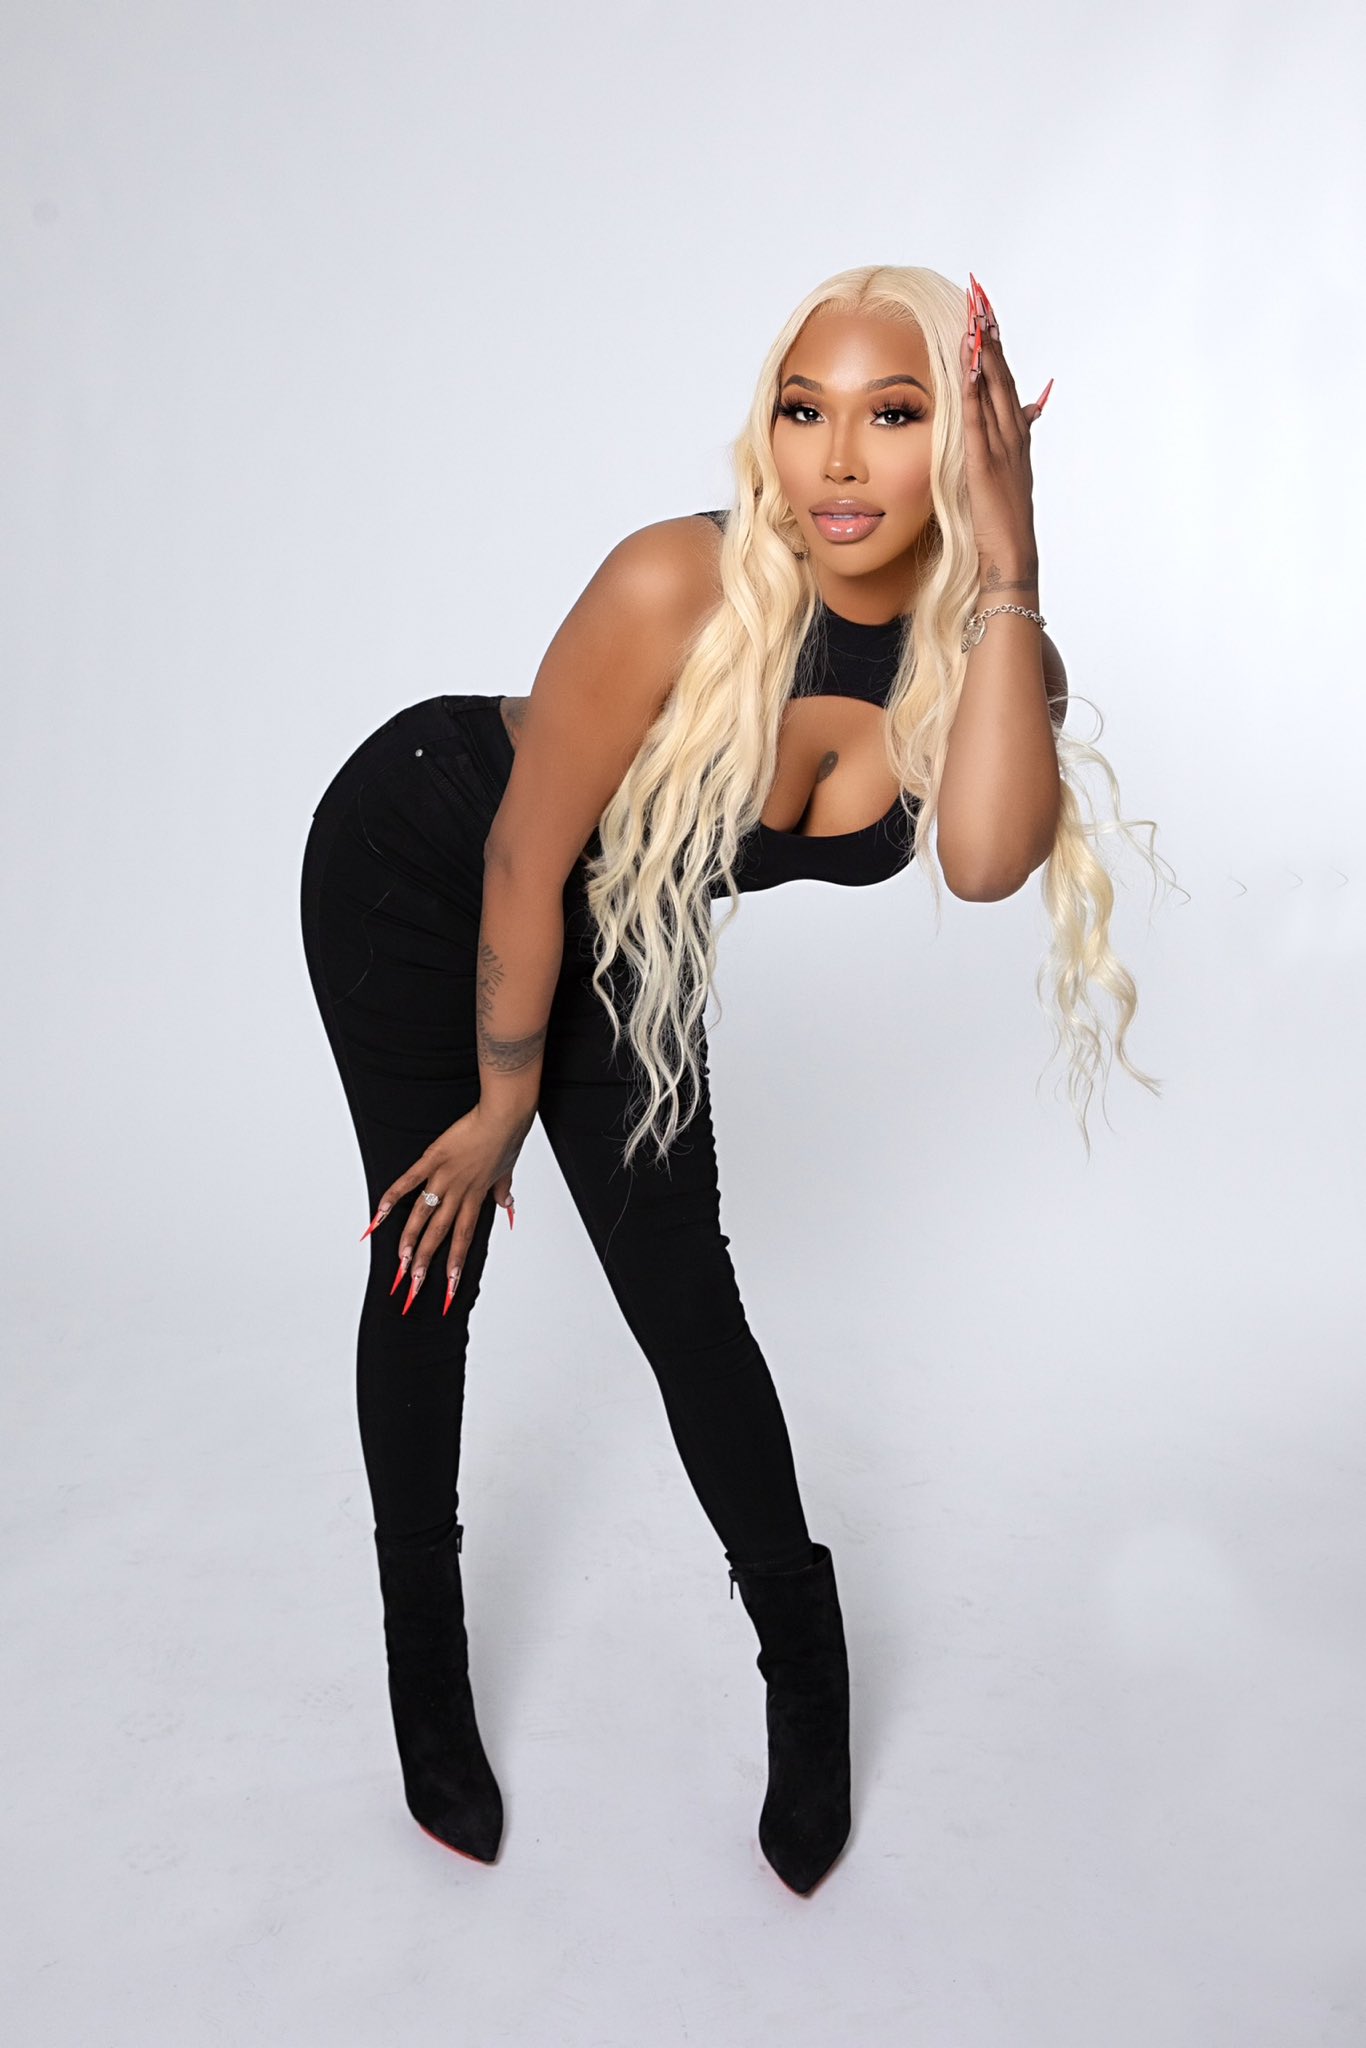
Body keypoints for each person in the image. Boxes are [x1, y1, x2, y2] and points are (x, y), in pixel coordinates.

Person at [298, 263, 1167, 1897]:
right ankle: (424, 1655)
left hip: (621, 913)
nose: (837, 458)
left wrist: (1014, 563)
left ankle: (801, 1655)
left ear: (962, 441)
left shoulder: (985, 649)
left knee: (681, 1295)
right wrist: (497, 1109)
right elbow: (524, 853)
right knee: (429, 1254)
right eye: (801, 409)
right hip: (433, 852)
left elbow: (986, 861)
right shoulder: (672, 582)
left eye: (893, 414)